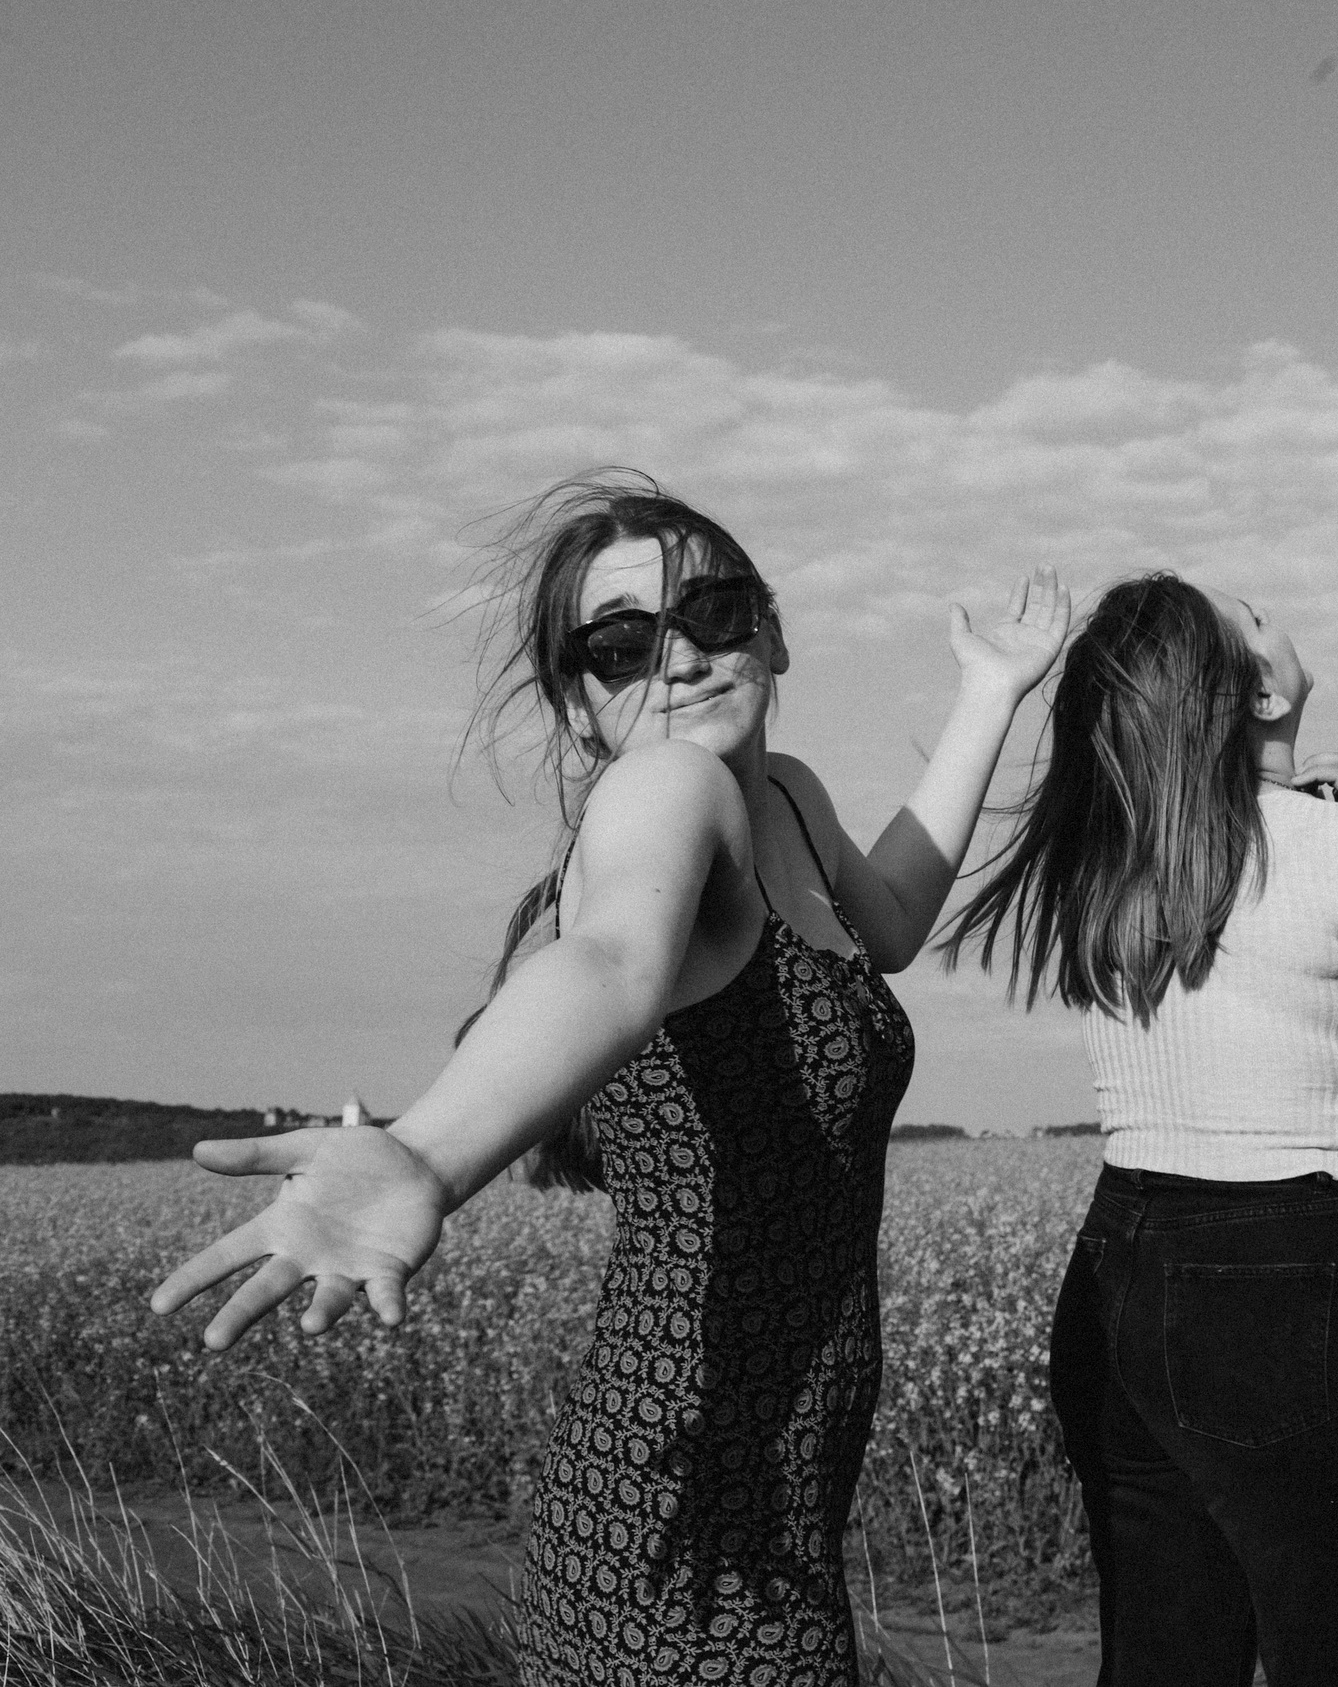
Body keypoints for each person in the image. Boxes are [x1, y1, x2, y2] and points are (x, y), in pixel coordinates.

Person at [149, 472, 1067, 1687]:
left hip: (768, 1498)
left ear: (771, 630)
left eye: (714, 613)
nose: (679, 659)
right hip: (671, 1508)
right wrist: (426, 1154)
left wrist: (989, 695)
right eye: (623, 645)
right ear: (582, 708)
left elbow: (890, 920)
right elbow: (615, 961)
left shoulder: (784, 798)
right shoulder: (665, 788)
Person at [940, 571, 1338, 1687]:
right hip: (1277, 1269)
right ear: (1259, 693)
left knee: (1167, 1654)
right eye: (1254, 620)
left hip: (1117, 1262)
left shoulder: (1105, 856)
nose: (1274, 613)